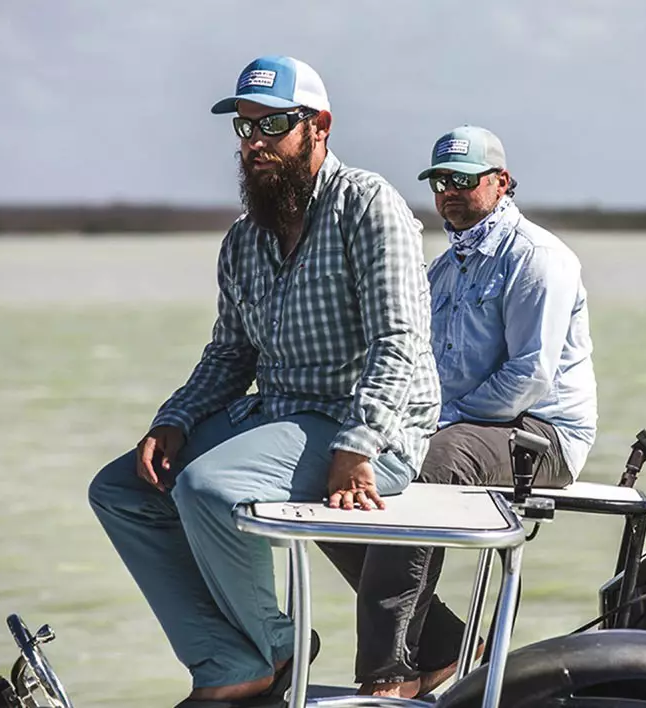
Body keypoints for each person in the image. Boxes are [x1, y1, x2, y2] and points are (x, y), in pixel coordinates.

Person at [87, 55, 440, 708]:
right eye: (244, 128)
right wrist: (174, 420)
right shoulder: (244, 239)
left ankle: (277, 649)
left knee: (208, 488)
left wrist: (359, 445)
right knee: (120, 489)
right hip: (281, 412)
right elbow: (229, 355)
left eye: (272, 125)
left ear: (319, 127)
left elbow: (403, 342)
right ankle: (229, 661)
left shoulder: (369, 206)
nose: (254, 144)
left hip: (369, 426)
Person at [319, 125, 598, 698]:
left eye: (463, 180)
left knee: (430, 464)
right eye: (440, 180)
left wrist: (436, 426)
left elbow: (530, 375)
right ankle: (446, 646)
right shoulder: (440, 270)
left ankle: (388, 674)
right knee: (339, 477)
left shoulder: (540, 257)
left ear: (501, 182)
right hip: (456, 427)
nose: (448, 191)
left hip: (542, 434)